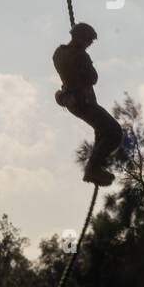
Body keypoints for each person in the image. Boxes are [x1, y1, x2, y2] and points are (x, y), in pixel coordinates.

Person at [53, 22, 123, 186]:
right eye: (88, 41)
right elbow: (93, 78)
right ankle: (93, 167)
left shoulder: (59, 53)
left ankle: (93, 171)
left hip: (72, 102)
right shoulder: (80, 56)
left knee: (104, 130)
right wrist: (83, 60)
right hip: (84, 102)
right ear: (80, 38)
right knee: (114, 132)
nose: (89, 44)